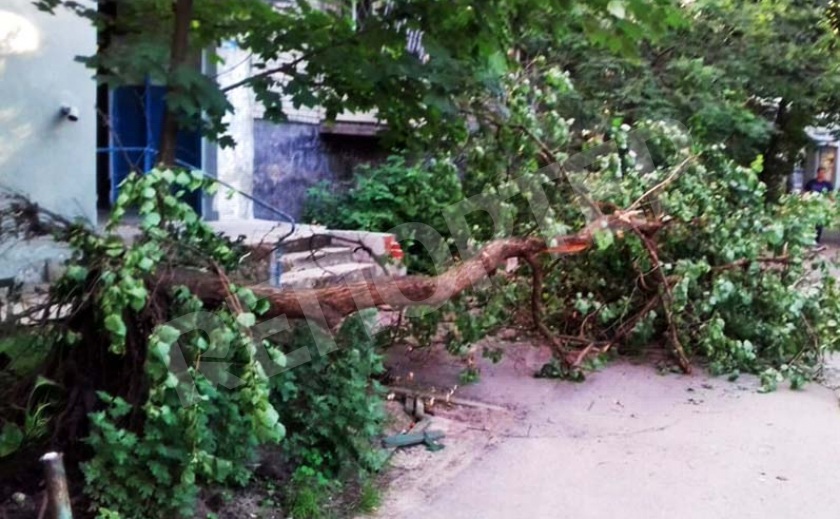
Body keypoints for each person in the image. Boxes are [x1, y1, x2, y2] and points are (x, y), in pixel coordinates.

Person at [804, 167, 834, 244]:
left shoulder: (827, 184)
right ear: (817, 173)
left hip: (821, 206)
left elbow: (830, 195)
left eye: (823, 173)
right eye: (820, 172)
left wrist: (832, 203)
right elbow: (805, 192)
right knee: (810, 222)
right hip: (811, 205)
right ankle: (809, 238)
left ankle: (816, 240)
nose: (822, 174)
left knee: (819, 224)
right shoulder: (811, 182)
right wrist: (804, 200)